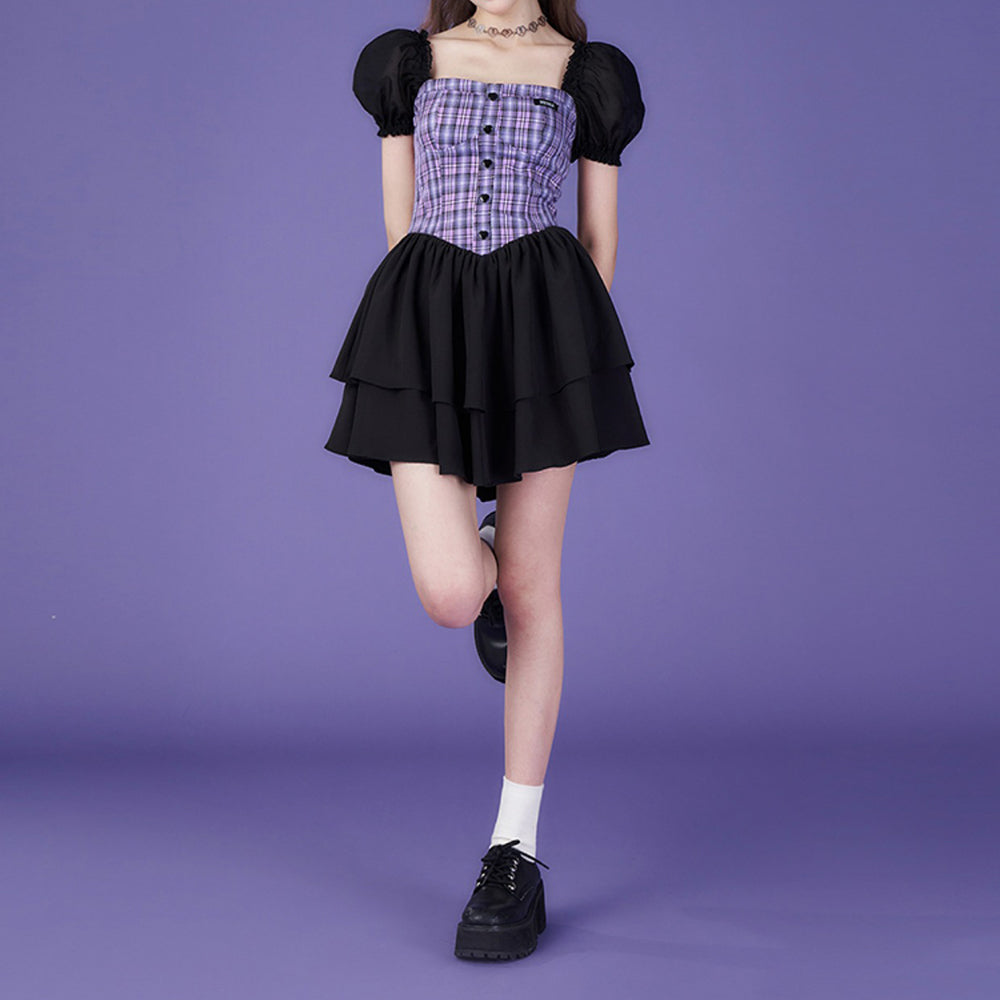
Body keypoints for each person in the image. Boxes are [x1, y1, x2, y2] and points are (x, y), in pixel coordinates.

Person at [324, 0, 649, 961]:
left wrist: (565, 360)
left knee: (535, 591)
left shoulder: (587, 72)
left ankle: (514, 852)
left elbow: (597, 240)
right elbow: (400, 224)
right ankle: (492, 544)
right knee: (452, 593)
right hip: (425, 321)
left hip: (545, 323)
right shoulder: (409, 61)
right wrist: (424, 345)